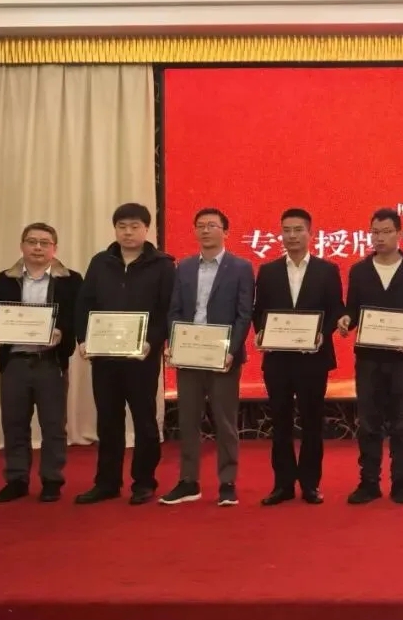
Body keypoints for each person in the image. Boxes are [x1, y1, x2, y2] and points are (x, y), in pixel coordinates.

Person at [74, 203, 176, 505]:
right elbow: (84, 303)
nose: (128, 232)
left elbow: (168, 310)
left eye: (134, 226)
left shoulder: (163, 265)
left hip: (142, 358)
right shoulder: (100, 262)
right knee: (108, 420)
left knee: (145, 421)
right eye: (122, 226)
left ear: (147, 229)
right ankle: (107, 482)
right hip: (105, 357)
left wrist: (152, 341)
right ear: (115, 229)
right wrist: (83, 339)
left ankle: (144, 482)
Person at [0, 223, 83, 503]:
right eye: (32, 241)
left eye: (44, 243)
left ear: (54, 248)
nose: (38, 247)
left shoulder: (71, 280)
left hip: (50, 362)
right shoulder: (5, 278)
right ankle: (17, 479)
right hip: (14, 362)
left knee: (53, 425)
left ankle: (52, 480)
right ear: (22, 246)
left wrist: (61, 332)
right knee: (14, 424)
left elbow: (78, 316)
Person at [339, 208, 403, 505]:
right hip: (368, 358)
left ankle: (400, 482)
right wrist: (346, 320)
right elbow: (353, 308)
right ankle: (368, 482)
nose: (379, 238)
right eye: (375, 233)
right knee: (368, 422)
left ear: (399, 234)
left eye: (386, 232)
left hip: (402, 358)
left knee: (402, 422)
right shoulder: (359, 270)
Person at [160, 208, 255, 507]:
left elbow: (244, 314)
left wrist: (231, 350)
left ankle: (227, 482)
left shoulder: (241, 267)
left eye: (212, 225)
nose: (205, 230)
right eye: (200, 225)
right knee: (188, 419)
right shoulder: (184, 267)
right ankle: (189, 481)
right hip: (189, 354)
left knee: (225, 421)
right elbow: (174, 310)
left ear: (225, 231)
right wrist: (174, 343)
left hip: (223, 356)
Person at [252, 208, 344, 505]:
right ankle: (282, 485)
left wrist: (323, 333)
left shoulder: (327, 270)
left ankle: (310, 484)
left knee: (312, 422)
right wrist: (262, 332)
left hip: (313, 358)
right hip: (278, 360)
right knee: (280, 422)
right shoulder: (268, 271)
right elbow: (259, 312)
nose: (292, 236)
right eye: (286, 230)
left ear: (310, 234)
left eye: (298, 230)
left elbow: (336, 309)